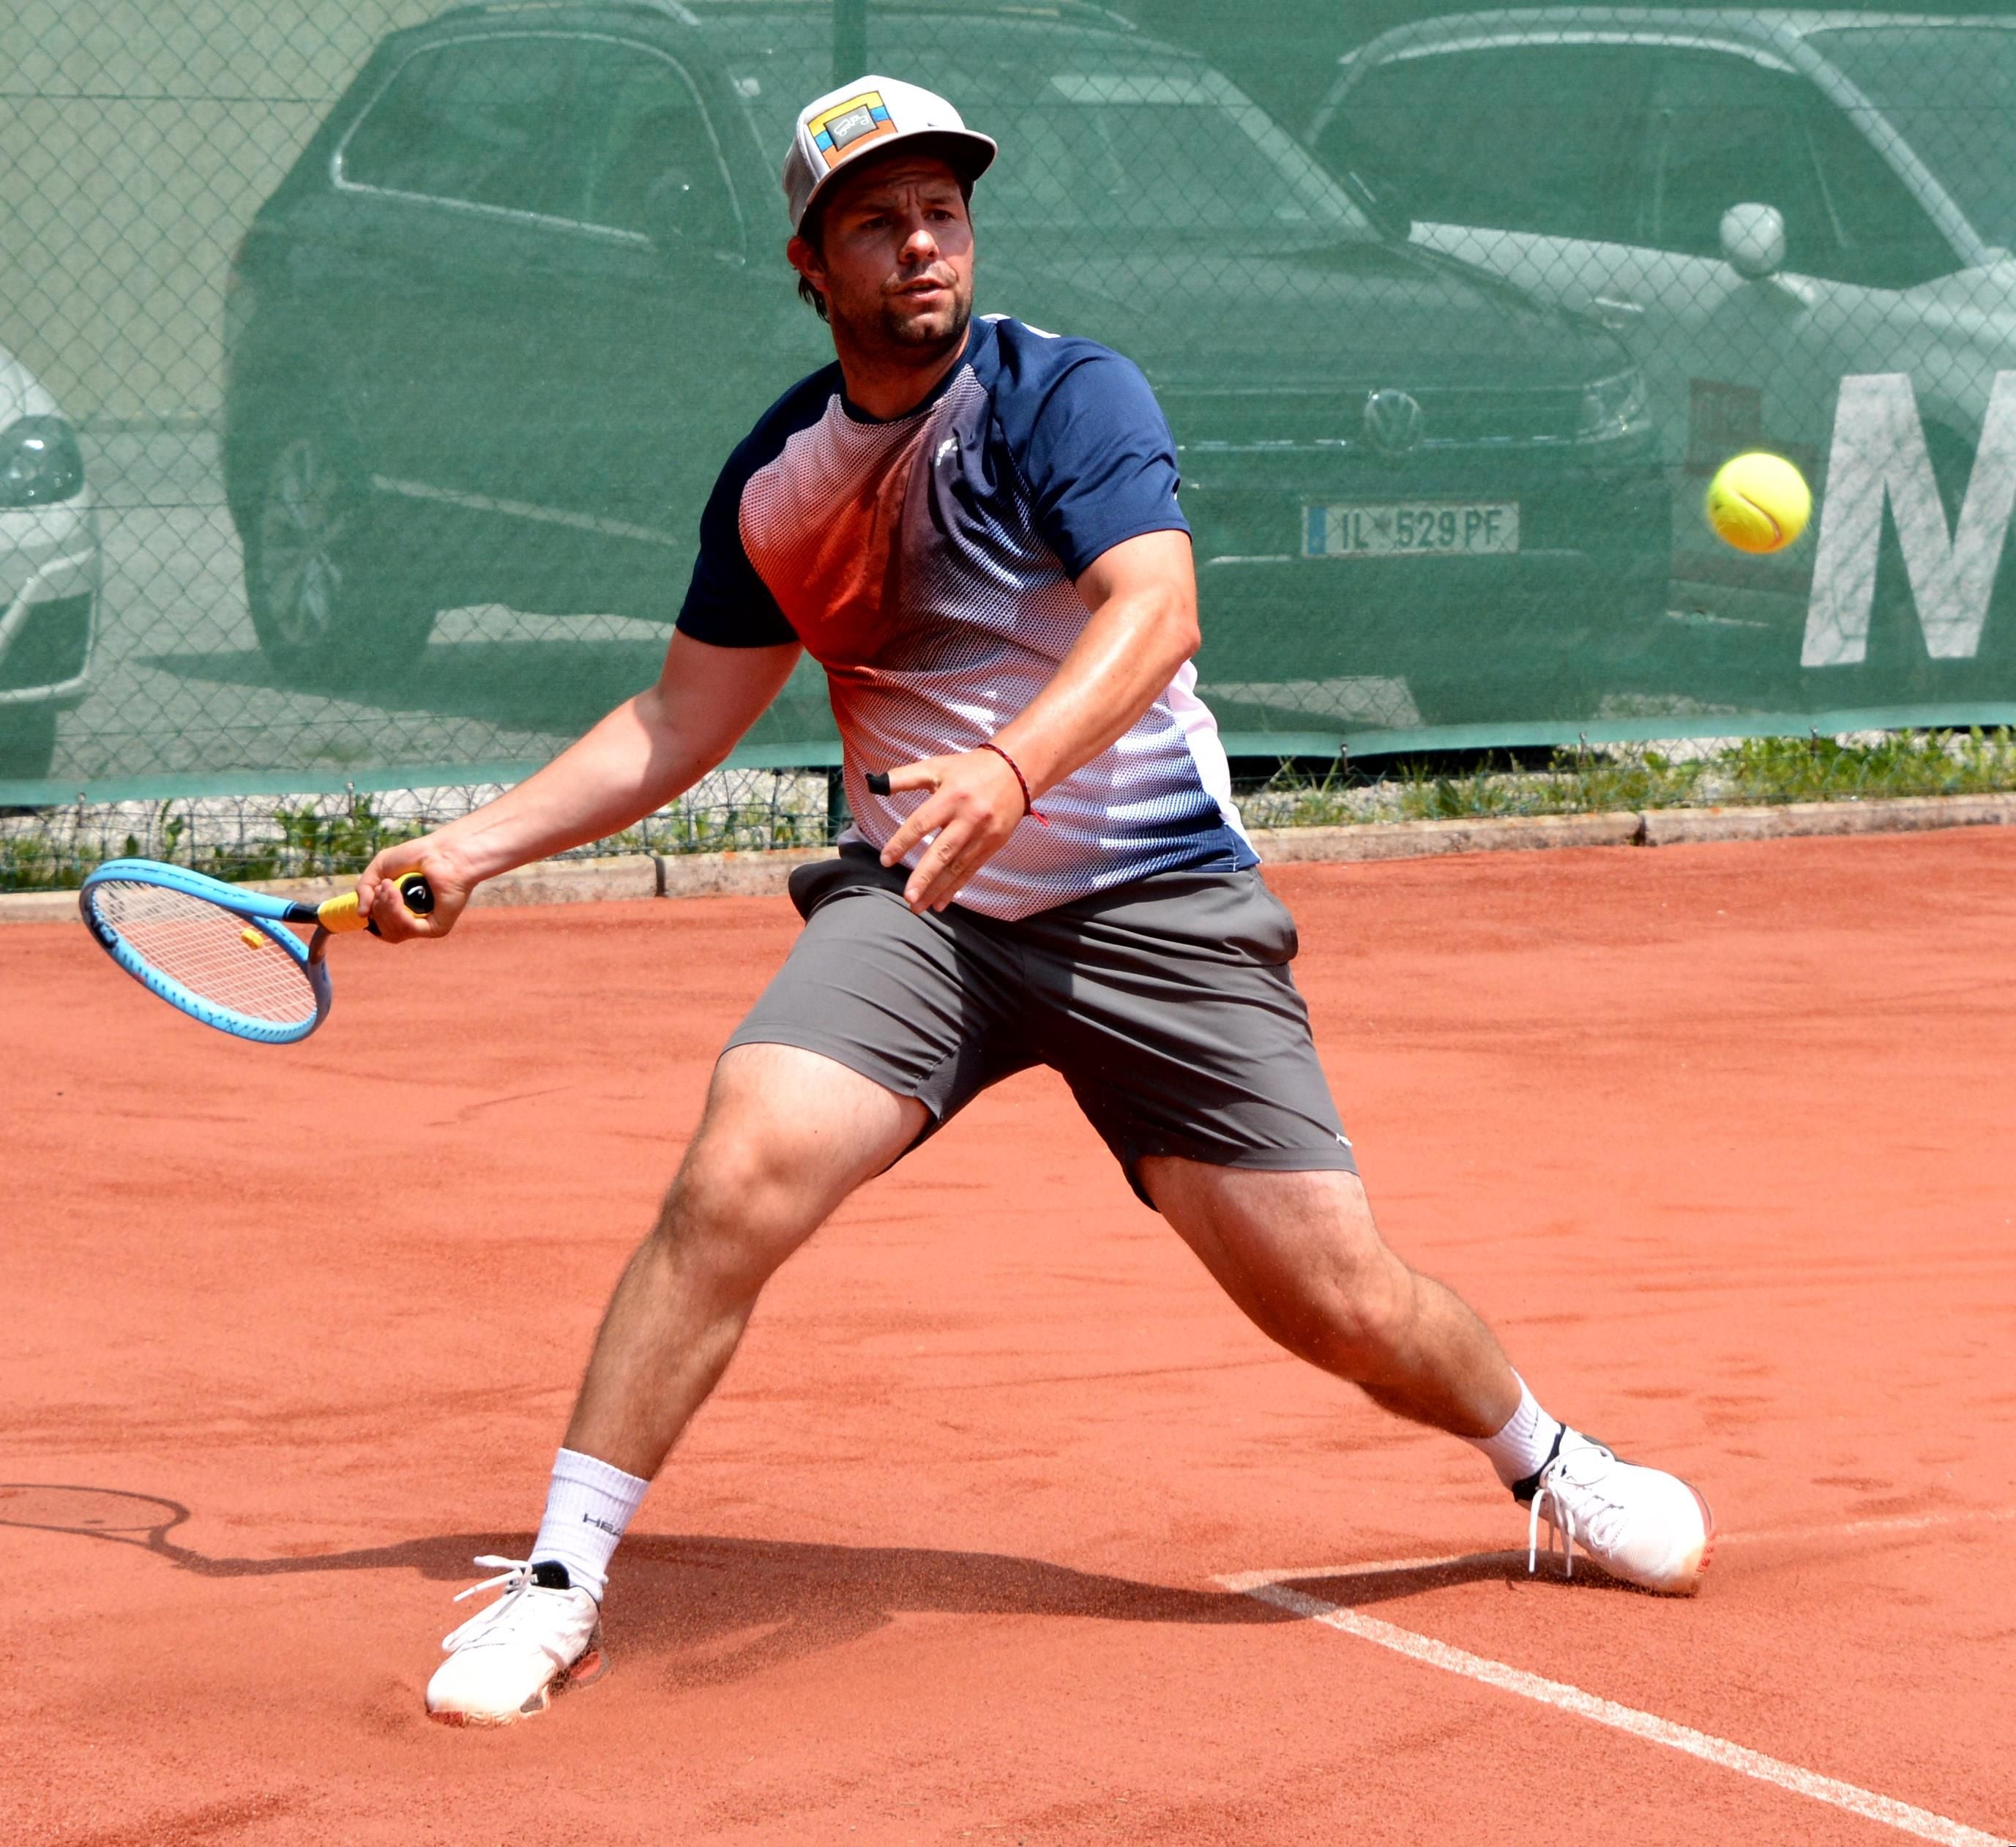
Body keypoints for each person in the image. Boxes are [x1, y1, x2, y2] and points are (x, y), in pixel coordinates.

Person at [361, 75, 1713, 1728]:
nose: (920, 243)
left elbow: (1155, 611)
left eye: (942, 210)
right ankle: (561, 1577)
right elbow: (677, 719)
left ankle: (1548, 1460)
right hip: (923, 906)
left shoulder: (1065, 395)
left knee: (1341, 1302)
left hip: (1152, 899)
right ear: (809, 260)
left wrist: (1010, 769)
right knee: (737, 1167)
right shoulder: (777, 478)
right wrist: (472, 847)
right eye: (876, 219)